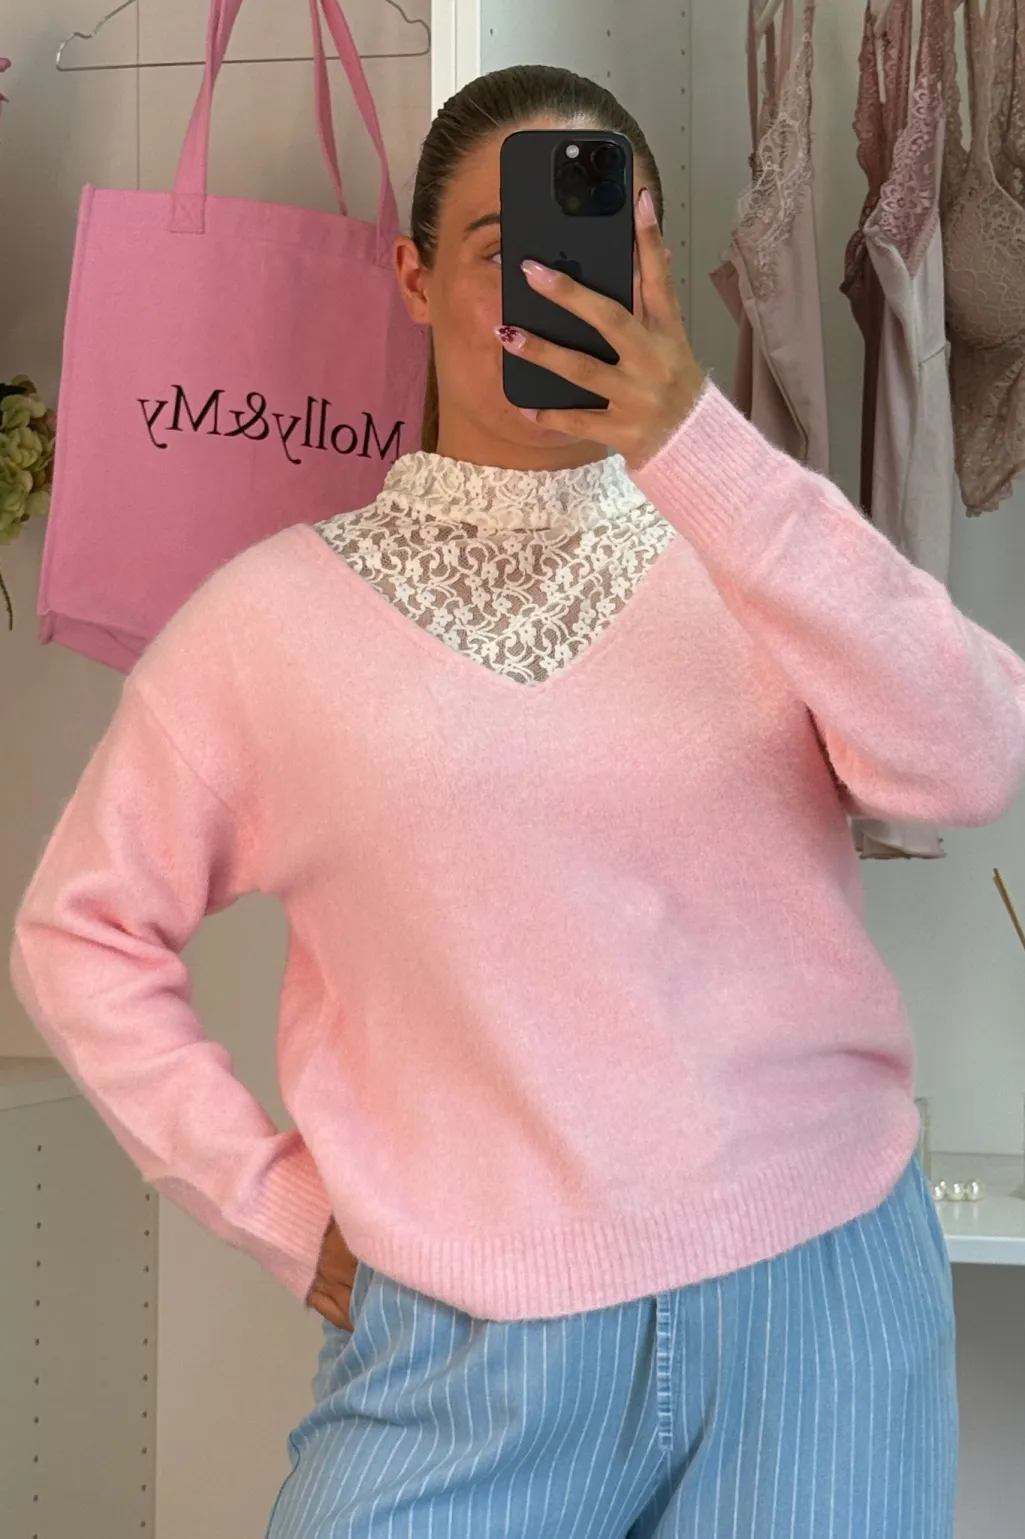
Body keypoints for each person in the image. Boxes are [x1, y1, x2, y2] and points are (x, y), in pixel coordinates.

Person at [10, 64, 1025, 1538]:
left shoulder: (766, 560)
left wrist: (696, 445)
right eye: (503, 249)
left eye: (606, 240)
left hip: (816, 1309)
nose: (553, 285)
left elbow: (978, 756)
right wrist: (274, 1204)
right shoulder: (267, 629)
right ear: (416, 278)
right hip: (466, 1352)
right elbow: (78, 934)